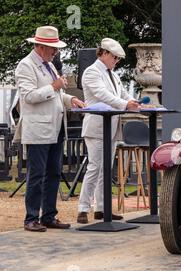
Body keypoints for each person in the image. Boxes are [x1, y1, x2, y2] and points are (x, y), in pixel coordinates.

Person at [14, 26, 85, 232]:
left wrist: (70, 98)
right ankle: (31, 218)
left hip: (55, 127)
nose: (55, 52)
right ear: (40, 46)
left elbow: (55, 94)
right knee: (37, 174)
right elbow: (28, 97)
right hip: (38, 129)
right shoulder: (25, 66)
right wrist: (54, 87)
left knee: (54, 172)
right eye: (52, 48)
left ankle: (48, 215)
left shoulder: (49, 65)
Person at [77, 38, 141, 224]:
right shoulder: (91, 72)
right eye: (114, 57)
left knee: (106, 168)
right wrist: (125, 104)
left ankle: (102, 208)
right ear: (103, 53)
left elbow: (121, 94)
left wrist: (133, 102)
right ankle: (83, 208)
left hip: (111, 126)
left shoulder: (113, 74)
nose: (116, 61)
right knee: (95, 167)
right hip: (97, 126)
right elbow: (102, 95)